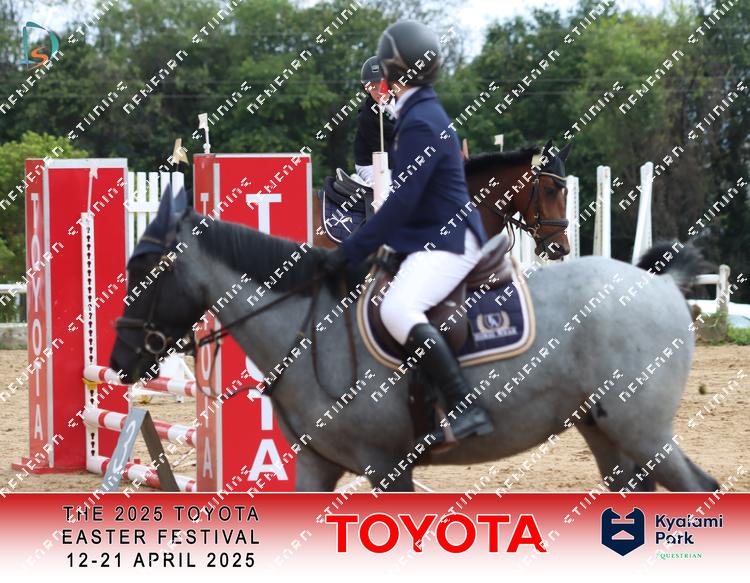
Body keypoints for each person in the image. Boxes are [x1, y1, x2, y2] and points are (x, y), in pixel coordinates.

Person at [325, 20, 494, 448]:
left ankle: (464, 405)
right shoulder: (418, 112)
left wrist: (354, 249)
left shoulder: (418, 120)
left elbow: (402, 201)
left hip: (450, 238)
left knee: (398, 309)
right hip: (429, 229)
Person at [353, 56, 395, 185]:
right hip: (370, 164)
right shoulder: (365, 117)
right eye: (373, 88)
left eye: (382, 87)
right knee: (390, 190)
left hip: (394, 157)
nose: (379, 93)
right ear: (366, 88)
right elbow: (384, 154)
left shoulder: (401, 101)